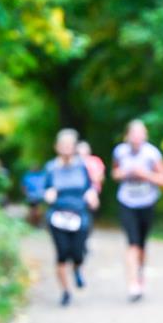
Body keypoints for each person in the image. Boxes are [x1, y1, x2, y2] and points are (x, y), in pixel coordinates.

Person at [111, 119, 163, 302]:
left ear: (145, 136)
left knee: (141, 245)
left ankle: (139, 273)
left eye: (140, 134)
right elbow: (114, 174)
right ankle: (133, 284)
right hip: (127, 203)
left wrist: (145, 175)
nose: (137, 137)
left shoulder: (152, 154)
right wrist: (126, 173)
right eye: (133, 134)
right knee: (132, 243)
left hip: (147, 203)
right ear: (127, 135)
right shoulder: (120, 152)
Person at [43, 128, 99, 307]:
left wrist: (92, 195)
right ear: (57, 147)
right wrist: (48, 194)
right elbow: (43, 189)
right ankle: (66, 292)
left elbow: (90, 187)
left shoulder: (82, 166)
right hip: (58, 215)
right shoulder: (51, 168)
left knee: (77, 253)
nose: (67, 148)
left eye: (70, 145)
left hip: (79, 215)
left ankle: (77, 268)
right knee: (62, 254)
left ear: (74, 147)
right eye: (63, 145)